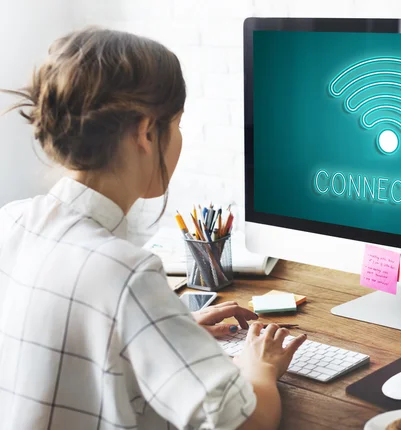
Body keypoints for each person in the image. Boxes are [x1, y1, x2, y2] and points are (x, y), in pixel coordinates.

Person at [0, 27, 306, 430]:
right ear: (146, 132)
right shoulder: (126, 273)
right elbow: (246, 422)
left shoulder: (11, 221)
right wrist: (259, 366)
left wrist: (165, 330)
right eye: (176, 124)